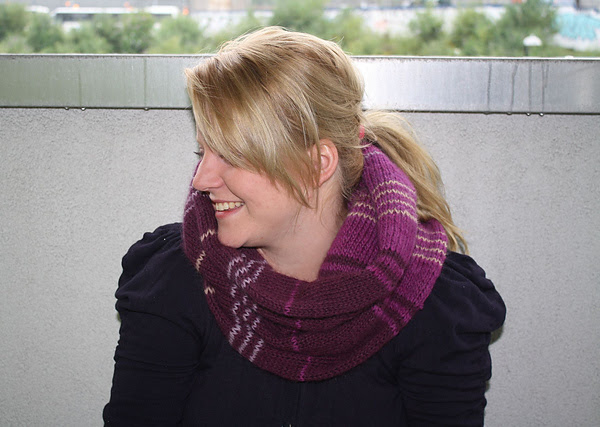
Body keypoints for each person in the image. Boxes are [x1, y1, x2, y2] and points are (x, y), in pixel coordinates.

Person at [103, 27, 505, 426]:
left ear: (318, 164)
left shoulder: (434, 308)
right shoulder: (177, 281)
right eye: (203, 150)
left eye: (231, 154)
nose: (201, 179)